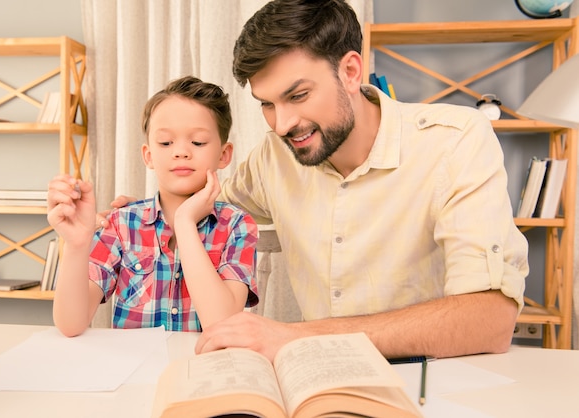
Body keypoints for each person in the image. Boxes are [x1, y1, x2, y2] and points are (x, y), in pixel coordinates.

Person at [104, 0, 528, 362]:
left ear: (350, 70)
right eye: (267, 104)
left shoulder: (455, 143)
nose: (283, 123)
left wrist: (294, 336)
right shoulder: (274, 157)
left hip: (428, 379)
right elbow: (206, 199)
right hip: (315, 378)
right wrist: (145, 211)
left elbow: (489, 320)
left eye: (298, 95)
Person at [47, 76, 259, 337]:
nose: (180, 151)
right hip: (134, 373)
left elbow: (222, 325)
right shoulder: (122, 224)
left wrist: (184, 222)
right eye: (166, 143)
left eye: (198, 142)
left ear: (224, 155)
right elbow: (71, 324)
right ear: (148, 155)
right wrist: (77, 245)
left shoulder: (237, 226)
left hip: (204, 370)